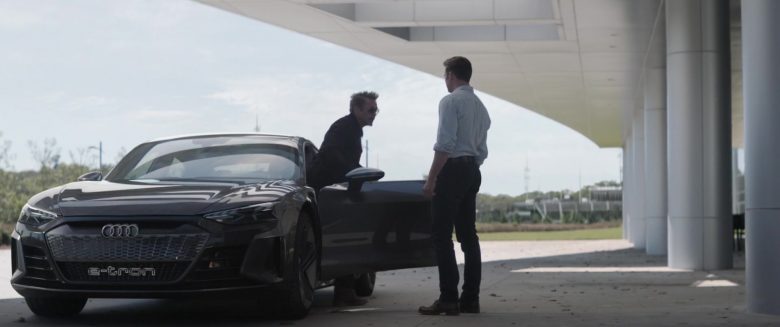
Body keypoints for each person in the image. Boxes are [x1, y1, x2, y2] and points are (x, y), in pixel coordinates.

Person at [418, 56, 490, 316]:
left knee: (441, 236)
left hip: (453, 170)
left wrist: (432, 178)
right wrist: (470, 167)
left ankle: (449, 298)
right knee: (469, 236)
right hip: (472, 169)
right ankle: (470, 299)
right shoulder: (481, 107)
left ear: (450, 75)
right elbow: (482, 150)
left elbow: (445, 145)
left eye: (445, 76)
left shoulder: (450, 101)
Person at [306, 91, 379, 306]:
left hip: (332, 192)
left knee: (344, 237)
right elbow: (330, 154)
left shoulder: (351, 129)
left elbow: (338, 157)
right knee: (345, 237)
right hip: (328, 194)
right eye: (371, 110)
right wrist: (352, 173)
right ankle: (344, 292)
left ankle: (344, 290)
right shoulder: (345, 128)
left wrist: (358, 171)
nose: (375, 114)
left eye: (376, 110)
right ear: (357, 109)